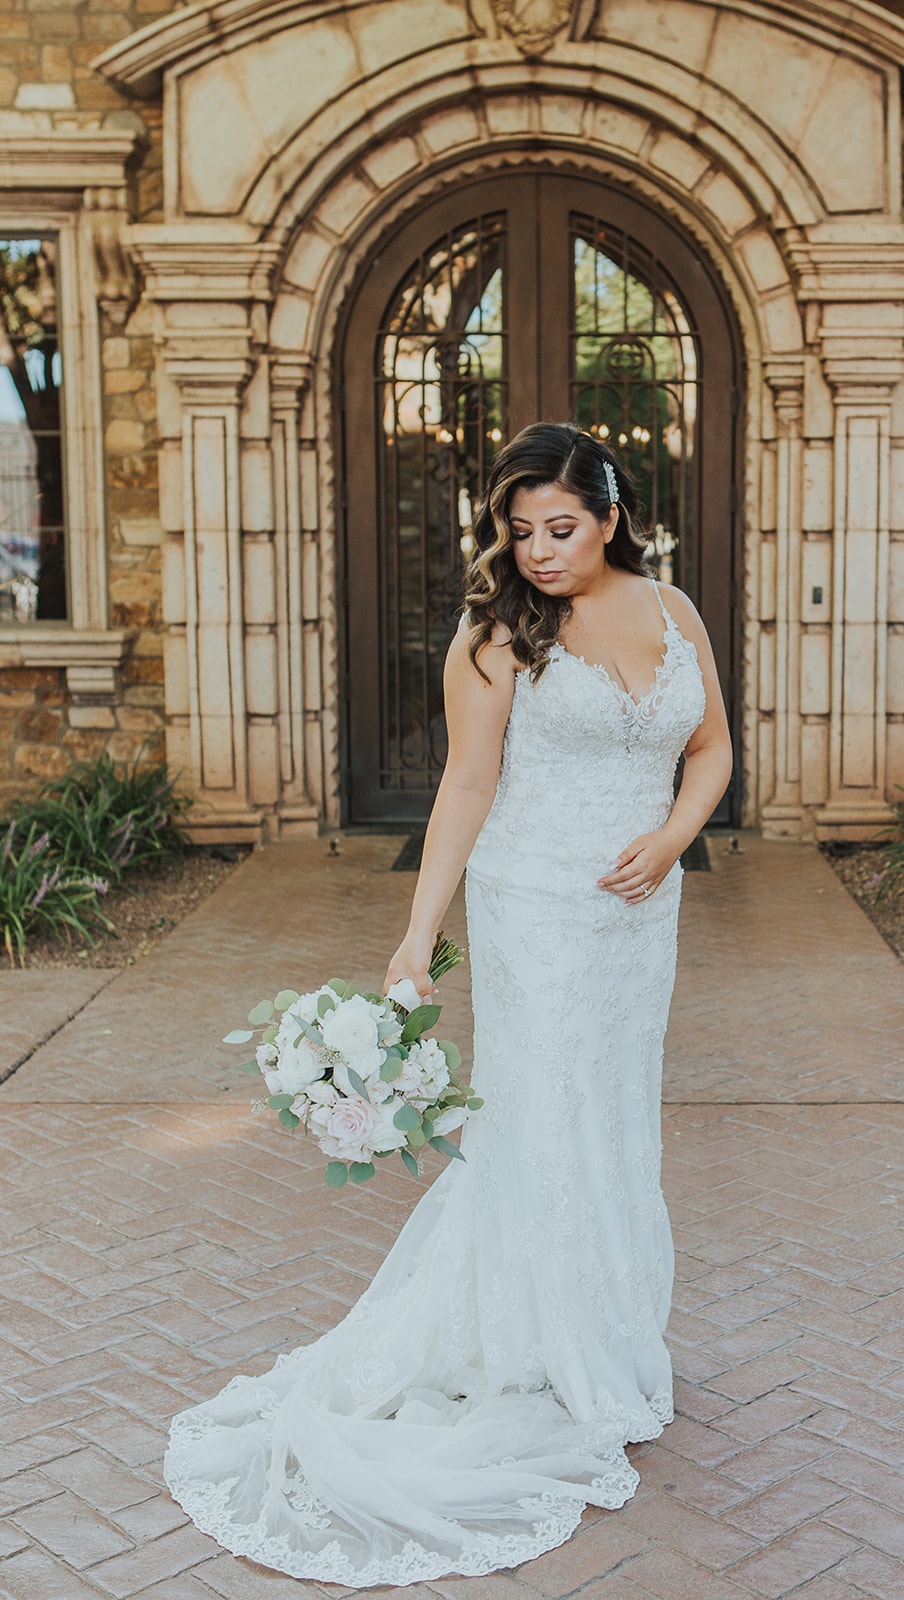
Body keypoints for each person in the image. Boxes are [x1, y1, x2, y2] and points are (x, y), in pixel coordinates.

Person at [163, 422, 733, 1586]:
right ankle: (539, 1344)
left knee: (615, 1110)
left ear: (611, 517)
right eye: (519, 531)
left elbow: (713, 749)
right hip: (535, 905)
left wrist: (674, 838)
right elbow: (468, 782)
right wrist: (418, 931)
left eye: (560, 528)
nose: (538, 551)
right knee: (539, 1115)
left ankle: (608, 1334)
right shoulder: (496, 635)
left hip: (637, 917)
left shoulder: (676, 614)